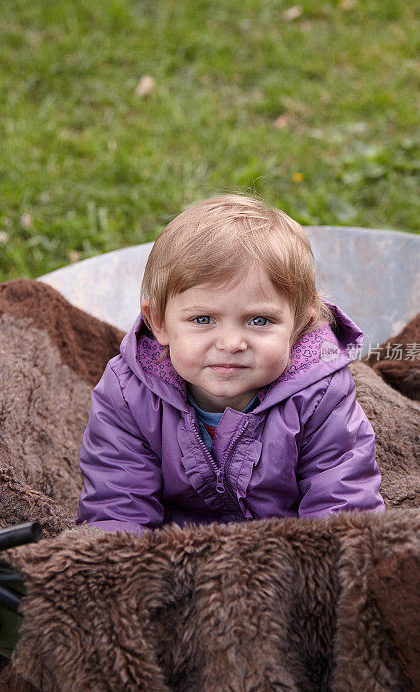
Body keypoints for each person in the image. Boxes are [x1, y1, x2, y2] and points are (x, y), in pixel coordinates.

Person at [76, 194, 384, 534]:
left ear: (298, 327)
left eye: (259, 321)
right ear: (159, 322)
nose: (231, 344)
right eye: (204, 319)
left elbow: (342, 503)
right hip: (177, 552)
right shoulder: (127, 395)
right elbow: (117, 505)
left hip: (285, 549)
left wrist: (322, 568)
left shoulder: (321, 393)